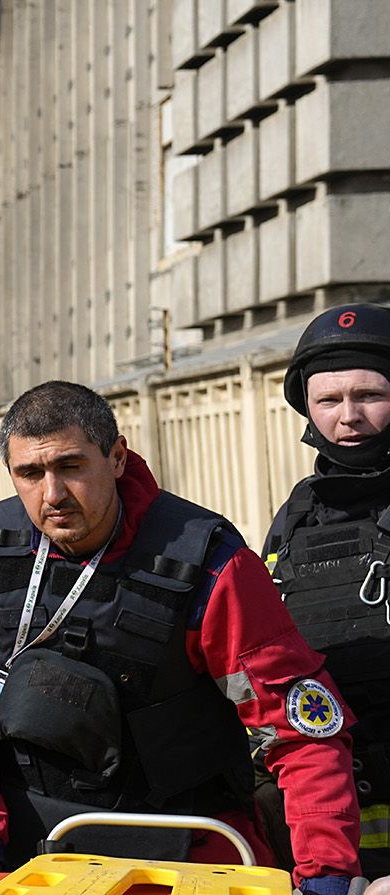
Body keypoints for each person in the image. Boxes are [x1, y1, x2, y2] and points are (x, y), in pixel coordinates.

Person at [0, 380, 361, 895]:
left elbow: (299, 730)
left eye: (71, 466)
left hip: (188, 853)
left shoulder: (207, 562)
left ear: (118, 456)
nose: (52, 494)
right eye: (30, 474)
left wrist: (325, 878)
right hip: (34, 860)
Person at [261, 303, 390, 881]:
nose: (350, 417)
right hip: (329, 818)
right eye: (330, 401)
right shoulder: (295, 519)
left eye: (369, 396)